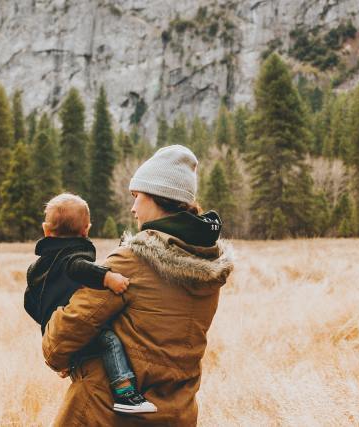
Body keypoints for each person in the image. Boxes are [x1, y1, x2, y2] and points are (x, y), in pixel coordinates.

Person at [43, 145, 234, 425]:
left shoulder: (132, 261)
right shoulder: (208, 268)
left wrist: (62, 355)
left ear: (157, 197)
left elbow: (64, 334)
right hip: (176, 414)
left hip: (104, 412)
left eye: (137, 196)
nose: (133, 208)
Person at [24, 193, 158, 414]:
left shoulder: (40, 266)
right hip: (70, 325)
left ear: (46, 231)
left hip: (53, 329)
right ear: (86, 229)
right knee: (109, 341)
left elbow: (29, 302)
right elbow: (78, 267)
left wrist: (47, 319)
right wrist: (108, 278)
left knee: (86, 350)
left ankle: (70, 360)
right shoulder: (72, 256)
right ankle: (124, 392)